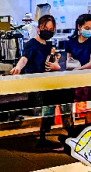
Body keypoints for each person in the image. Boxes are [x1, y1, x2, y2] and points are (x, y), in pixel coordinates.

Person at [10, 15, 74, 149]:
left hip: (47, 83)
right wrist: (18, 68)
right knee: (50, 104)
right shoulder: (32, 44)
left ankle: (68, 132)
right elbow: (25, 58)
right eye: (45, 28)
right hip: (36, 83)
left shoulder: (49, 46)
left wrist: (57, 66)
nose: (48, 32)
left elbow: (54, 63)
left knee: (66, 98)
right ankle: (45, 135)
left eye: (51, 29)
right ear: (39, 28)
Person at [66, 14, 91, 124]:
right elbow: (68, 61)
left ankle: (89, 129)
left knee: (89, 111)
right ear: (79, 27)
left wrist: (79, 69)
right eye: (87, 28)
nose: (90, 30)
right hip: (75, 80)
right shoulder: (71, 42)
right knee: (71, 110)